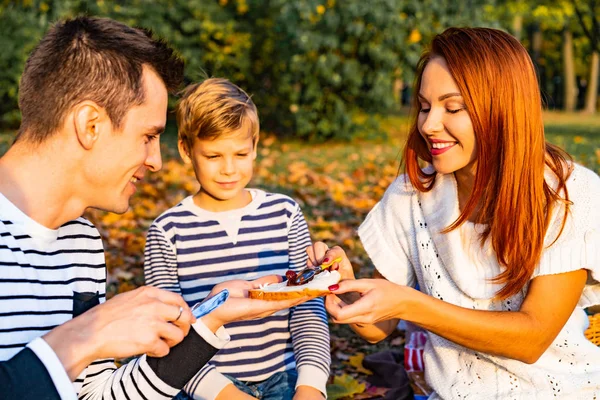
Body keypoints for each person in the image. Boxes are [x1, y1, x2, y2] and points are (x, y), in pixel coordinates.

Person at [0, 16, 306, 400]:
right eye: (147, 136)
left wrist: (211, 316)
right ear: (90, 124)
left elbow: (96, 394)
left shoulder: (81, 243)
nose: (156, 161)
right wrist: (81, 338)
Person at [310, 27, 600, 399]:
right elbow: (380, 327)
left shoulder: (568, 194)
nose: (428, 124)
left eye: (453, 107)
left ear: (503, 109)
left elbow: (533, 337)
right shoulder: (410, 196)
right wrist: (345, 291)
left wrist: (414, 304)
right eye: (425, 105)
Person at [144, 78, 330, 400]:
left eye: (241, 153)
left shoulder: (285, 214)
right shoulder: (168, 231)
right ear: (187, 151)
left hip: (285, 379)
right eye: (214, 156)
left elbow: (307, 305)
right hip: (207, 387)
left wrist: (311, 385)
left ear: (255, 146)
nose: (229, 169)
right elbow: (169, 332)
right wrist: (225, 394)